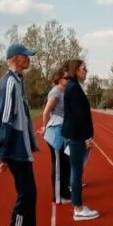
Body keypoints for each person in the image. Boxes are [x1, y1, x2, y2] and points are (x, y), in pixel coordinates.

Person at [0, 43, 51, 226]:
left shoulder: (18, 81)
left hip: (23, 148)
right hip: (15, 149)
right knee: (25, 194)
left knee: (31, 194)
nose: (29, 59)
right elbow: (5, 119)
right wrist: (4, 153)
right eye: (26, 57)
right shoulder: (9, 83)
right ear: (15, 58)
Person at [62, 59, 101, 222]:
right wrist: (87, 137)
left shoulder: (72, 87)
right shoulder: (74, 89)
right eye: (84, 68)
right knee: (77, 172)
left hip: (74, 134)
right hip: (77, 136)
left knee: (75, 171)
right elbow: (79, 116)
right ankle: (78, 208)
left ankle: (77, 206)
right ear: (76, 70)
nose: (86, 71)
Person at [39, 65, 72, 206]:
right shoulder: (56, 92)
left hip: (64, 131)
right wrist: (46, 129)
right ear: (59, 78)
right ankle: (58, 196)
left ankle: (64, 191)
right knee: (58, 164)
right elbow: (46, 112)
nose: (68, 80)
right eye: (66, 77)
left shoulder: (66, 91)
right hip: (56, 131)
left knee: (65, 163)